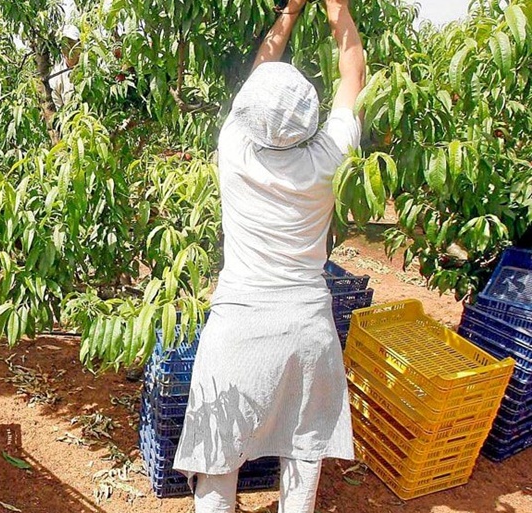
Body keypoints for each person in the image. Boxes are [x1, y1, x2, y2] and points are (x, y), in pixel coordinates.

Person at [171, 0, 366, 512]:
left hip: (239, 325)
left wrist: (289, 13)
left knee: (217, 455)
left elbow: (259, 75)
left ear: (249, 113)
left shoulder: (233, 145)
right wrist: (337, 11)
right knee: (304, 451)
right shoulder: (329, 157)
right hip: (307, 328)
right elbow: (354, 68)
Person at [49, 24, 82, 110]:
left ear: (80, 44)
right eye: (64, 44)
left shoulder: (91, 67)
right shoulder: (55, 77)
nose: (68, 48)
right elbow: (59, 110)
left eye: (71, 43)